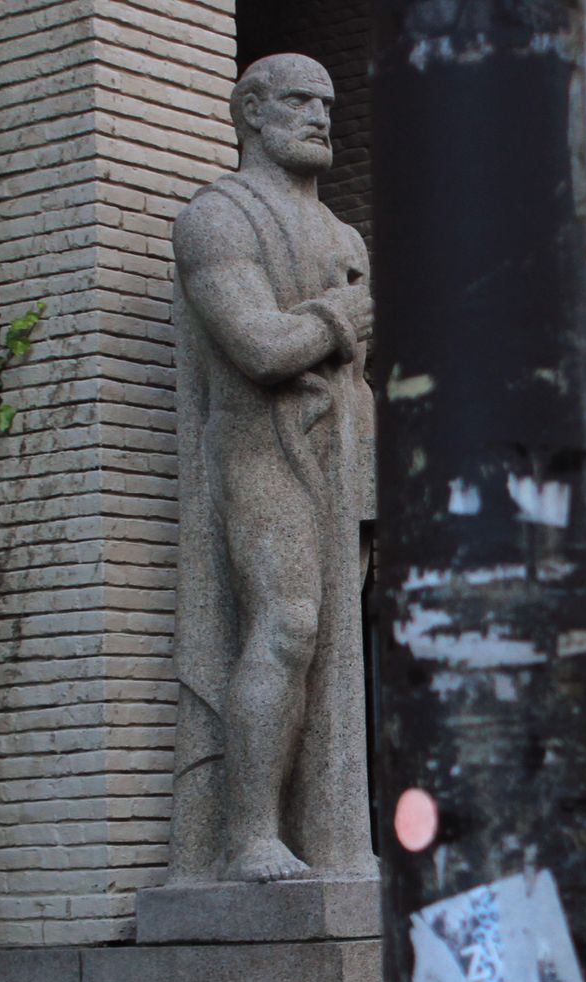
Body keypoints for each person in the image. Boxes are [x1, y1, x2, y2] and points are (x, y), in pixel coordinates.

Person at [167, 54, 377, 884]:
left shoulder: (343, 235)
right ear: (251, 111)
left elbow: (346, 369)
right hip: (259, 450)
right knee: (287, 625)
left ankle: (330, 839)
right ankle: (246, 835)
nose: (322, 116)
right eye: (299, 101)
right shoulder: (216, 218)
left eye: (328, 102)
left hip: (339, 454)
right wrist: (335, 318)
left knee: (334, 654)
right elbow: (258, 347)